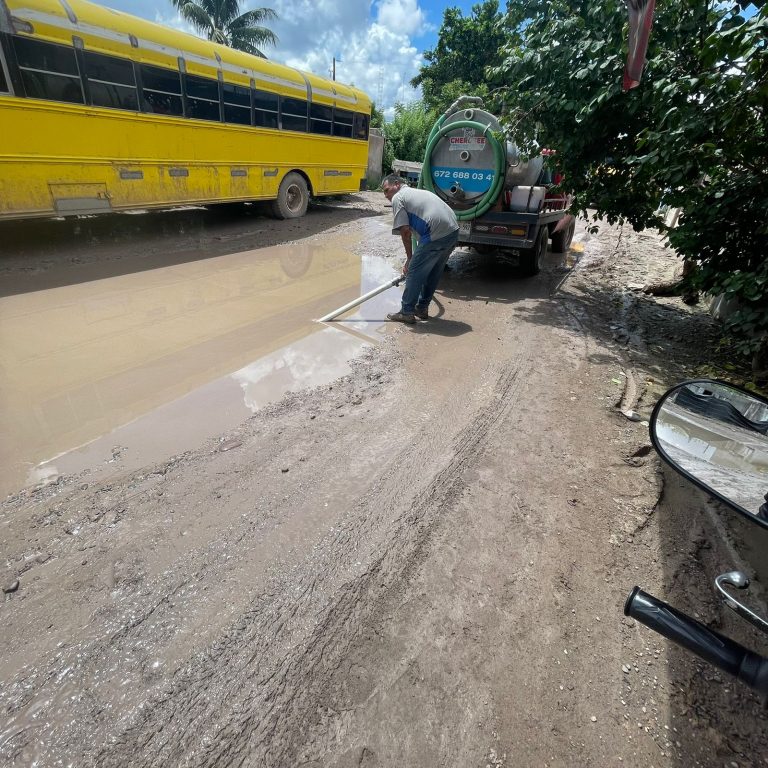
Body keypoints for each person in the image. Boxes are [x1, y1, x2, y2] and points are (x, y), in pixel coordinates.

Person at [381, 174, 459, 324]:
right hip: (452, 231)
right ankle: (422, 308)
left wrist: (410, 259)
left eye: (386, 190)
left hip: (435, 233)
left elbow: (405, 232)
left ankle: (407, 312)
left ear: (396, 184)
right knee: (433, 272)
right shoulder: (415, 193)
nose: (386, 195)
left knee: (414, 271)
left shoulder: (398, 197)